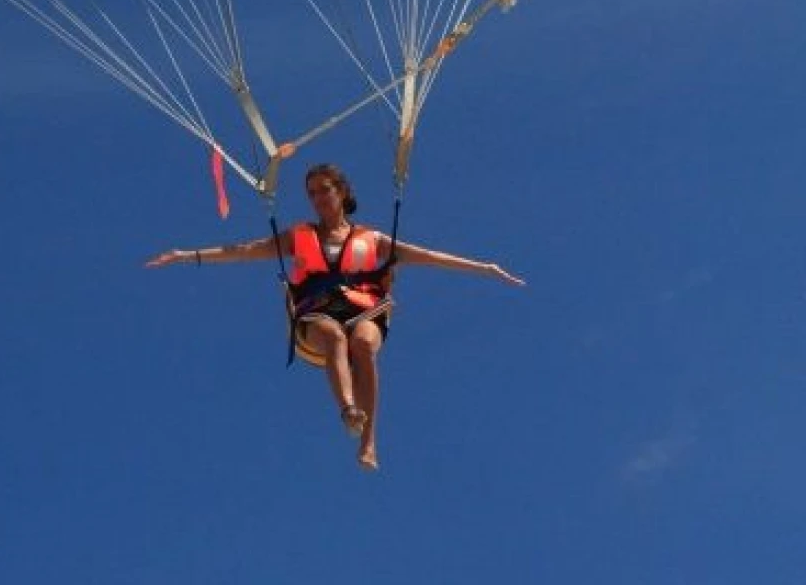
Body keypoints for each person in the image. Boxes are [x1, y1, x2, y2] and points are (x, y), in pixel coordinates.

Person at [147, 163, 525, 471]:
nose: (317, 198)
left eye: (323, 190)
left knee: (362, 343)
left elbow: (426, 256)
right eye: (311, 193)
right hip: (315, 309)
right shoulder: (299, 235)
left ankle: (369, 439)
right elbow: (244, 250)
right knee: (333, 336)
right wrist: (189, 255)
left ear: (341, 192)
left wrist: (484, 267)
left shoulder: (371, 238)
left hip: (365, 306)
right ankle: (347, 408)